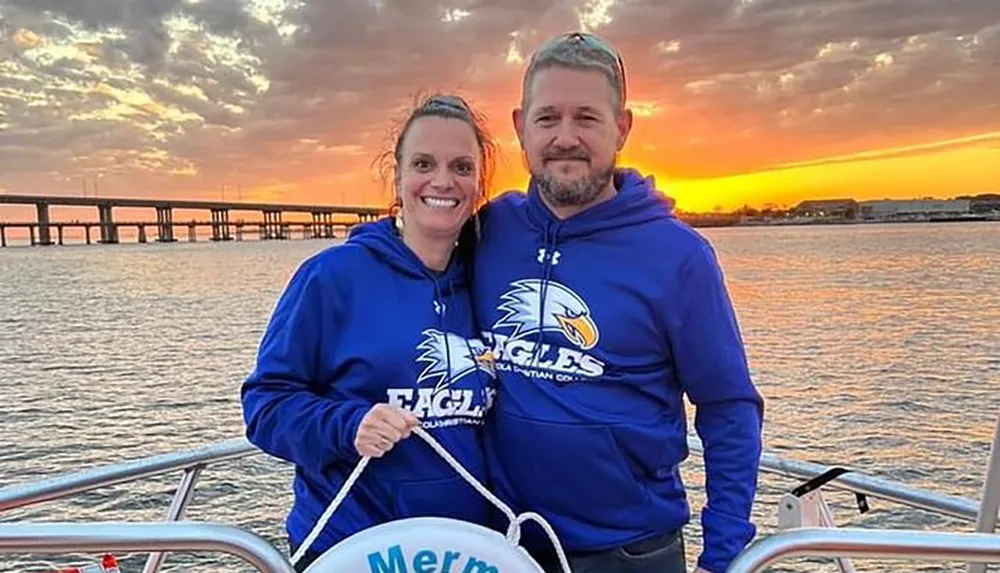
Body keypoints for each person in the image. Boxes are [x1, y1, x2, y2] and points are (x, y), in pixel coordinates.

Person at [470, 32, 765, 573]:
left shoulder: (679, 256)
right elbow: (408, 246)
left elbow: (728, 410)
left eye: (586, 118)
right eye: (547, 118)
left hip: (631, 552)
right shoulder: (489, 230)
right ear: (519, 126)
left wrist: (723, 553)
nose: (565, 137)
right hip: (502, 545)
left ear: (622, 127)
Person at [241, 93, 500, 571]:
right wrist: (349, 424)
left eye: (462, 167)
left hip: (468, 554)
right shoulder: (332, 277)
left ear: (479, 183)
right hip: (353, 551)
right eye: (423, 163)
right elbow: (265, 407)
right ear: (397, 175)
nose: (442, 181)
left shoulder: (490, 280)